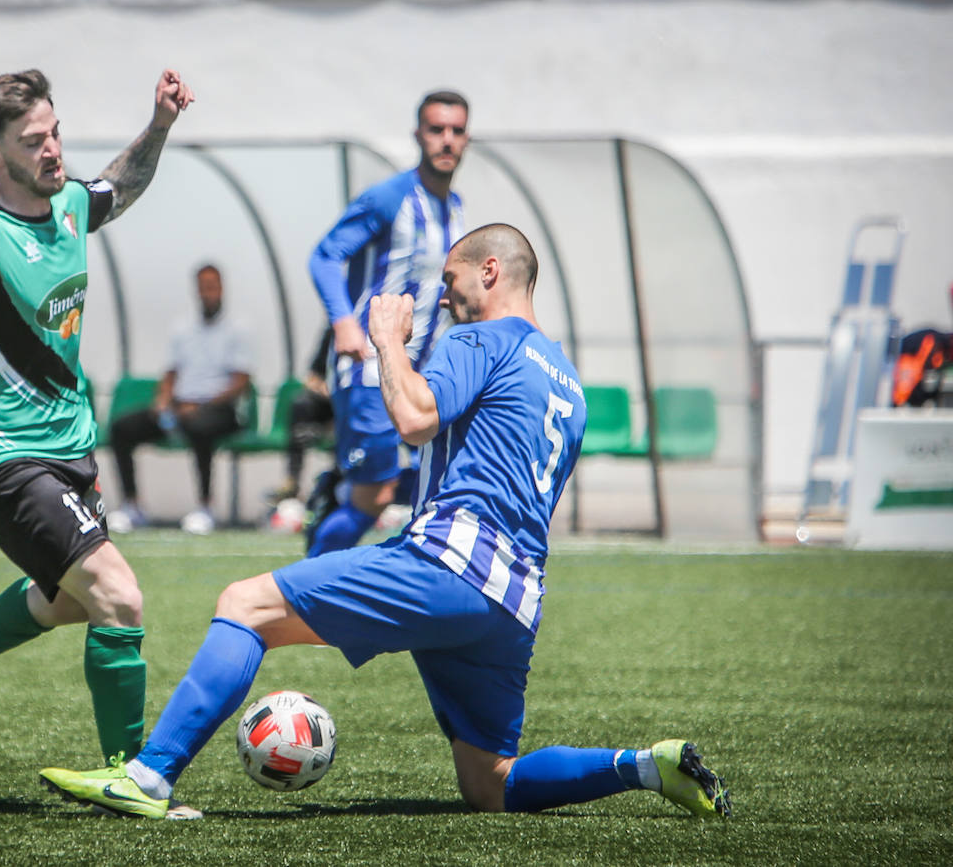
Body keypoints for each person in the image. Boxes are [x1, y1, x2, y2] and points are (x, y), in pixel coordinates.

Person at [40, 224, 732, 821]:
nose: (444, 293)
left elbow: (413, 418)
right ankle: (646, 766)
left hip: (448, 566)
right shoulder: (568, 384)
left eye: (452, 277)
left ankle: (148, 776)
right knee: (489, 784)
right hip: (515, 599)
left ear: (490, 272)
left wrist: (387, 340)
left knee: (243, 605)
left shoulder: (483, 337)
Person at [0, 67, 201, 817]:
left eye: (56, 132)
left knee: (68, 603)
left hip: (69, 446)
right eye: (35, 142)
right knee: (118, 597)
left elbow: (118, 188)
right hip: (2, 457)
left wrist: (159, 124)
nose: (54, 149)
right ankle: (132, 778)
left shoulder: (67, 203)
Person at [304, 90, 469, 556]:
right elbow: (324, 256)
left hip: (419, 374)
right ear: (418, 135)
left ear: (467, 139)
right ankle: (309, 586)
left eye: (456, 131)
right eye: (437, 129)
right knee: (375, 495)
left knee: (431, 482)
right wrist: (343, 323)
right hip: (369, 368)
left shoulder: (454, 208)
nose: (447, 140)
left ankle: (333, 492)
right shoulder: (389, 198)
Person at [107, 264, 253, 536]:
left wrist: (203, 405)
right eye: (203, 287)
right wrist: (163, 400)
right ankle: (132, 505)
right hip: (181, 408)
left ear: (222, 289)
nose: (209, 293)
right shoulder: (183, 328)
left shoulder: (237, 328)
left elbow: (241, 381)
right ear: (196, 290)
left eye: (213, 286)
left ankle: (205, 506)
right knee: (122, 427)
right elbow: (171, 373)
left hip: (222, 411)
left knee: (200, 427)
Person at [265, 327, 335, 504]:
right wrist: (327, 391)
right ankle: (292, 481)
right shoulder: (333, 330)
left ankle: (346, 476)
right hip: (329, 400)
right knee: (301, 403)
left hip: (358, 401)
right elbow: (312, 377)